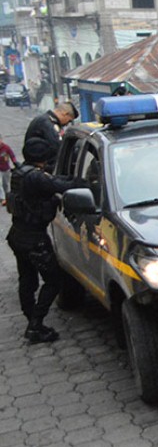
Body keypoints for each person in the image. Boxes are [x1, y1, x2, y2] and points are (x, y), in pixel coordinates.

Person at [5, 138, 80, 343]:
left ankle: (32, 320)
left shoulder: (20, 173)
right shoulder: (36, 177)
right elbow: (64, 185)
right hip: (34, 240)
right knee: (54, 282)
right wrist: (86, 181)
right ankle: (35, 324)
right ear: (42, 159)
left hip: (17, 235)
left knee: (27, 279)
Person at [0, 134, 16, 205]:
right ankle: (2, 198)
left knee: (6, 184)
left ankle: (7, 198)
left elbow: (12, 155)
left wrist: (15, 163)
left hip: (6, 169)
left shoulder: (6, 148)